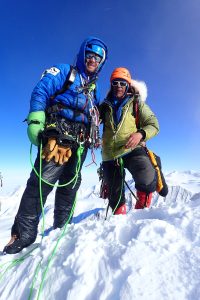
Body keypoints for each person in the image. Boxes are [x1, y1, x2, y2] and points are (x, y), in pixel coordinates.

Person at [3, 36, 108, 254]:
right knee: (41, 184)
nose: (92, 60)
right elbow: (41, 90)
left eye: (97, 58)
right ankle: (22, 236)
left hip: (80, 143)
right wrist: (35, 119)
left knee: (70, 186)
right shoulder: (64, 72)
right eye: (90, 55)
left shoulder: (93, 90)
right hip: (58, 136)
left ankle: (63, 227)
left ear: (101, 63)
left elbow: (94, 115)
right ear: (82, 55)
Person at [99, 67, 168, 215]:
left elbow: (153, 124)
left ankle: (139, 216)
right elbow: (91, 121)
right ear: (111, 84)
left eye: (122, 83)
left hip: (132, 148)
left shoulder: (136, 103)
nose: (119, 86)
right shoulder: (103, 107)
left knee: (147, 176)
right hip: (110, 154)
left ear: (128, 85)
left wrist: (141, 134)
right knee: (114, 194)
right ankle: (119, 220)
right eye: (116, 82)